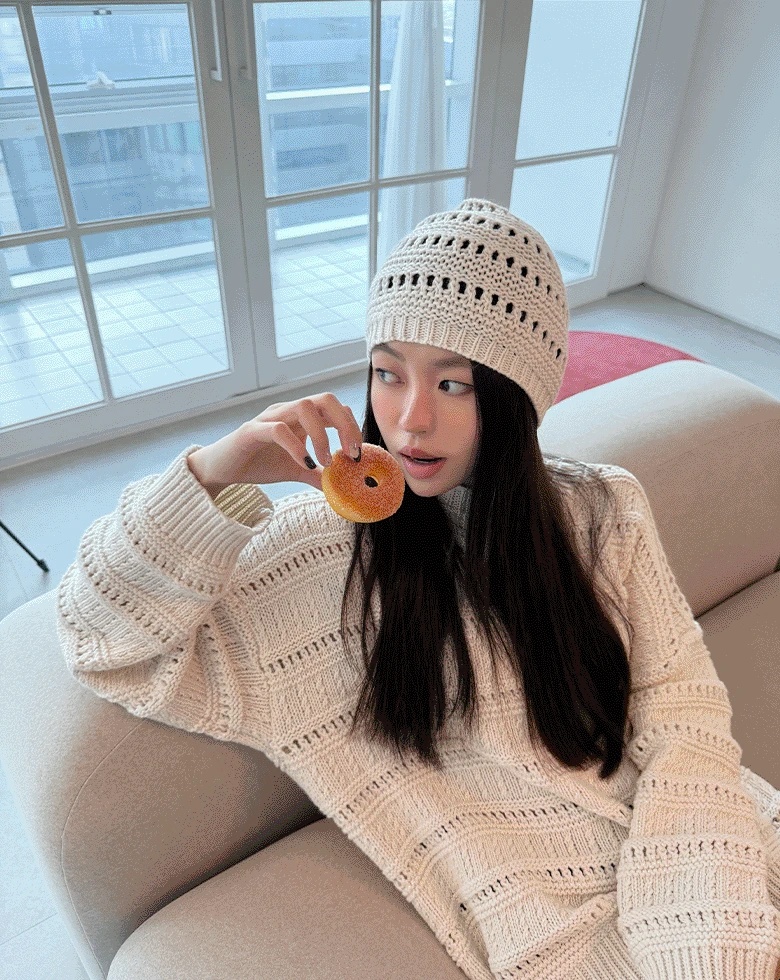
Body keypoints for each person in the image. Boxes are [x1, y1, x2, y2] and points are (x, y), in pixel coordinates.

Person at [57, 199, 780, 980]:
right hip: (573, 946)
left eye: (455, 383)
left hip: (732, 852)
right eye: (388, 373)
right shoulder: (320, 559)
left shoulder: (602, 508)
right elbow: (102, 640)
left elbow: (682, 704)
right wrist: (214, 471)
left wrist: (704, 923)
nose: (409, 421)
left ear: (514, 398)